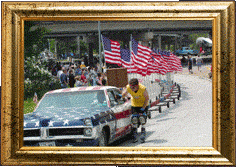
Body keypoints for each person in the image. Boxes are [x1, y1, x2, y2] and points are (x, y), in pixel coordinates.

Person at [121, 78, 149, 143]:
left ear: (137, 85)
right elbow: (124, 93)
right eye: (131, 87)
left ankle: (143, 132)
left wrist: (143, 109)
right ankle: (135, 134)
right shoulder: (129, 87)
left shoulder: (142, 89)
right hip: (135, 104)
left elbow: (147, 98)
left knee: (142, 119)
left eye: (133, 87)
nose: (132, 89)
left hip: (143, 104)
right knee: (134, 119)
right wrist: (121, 96)